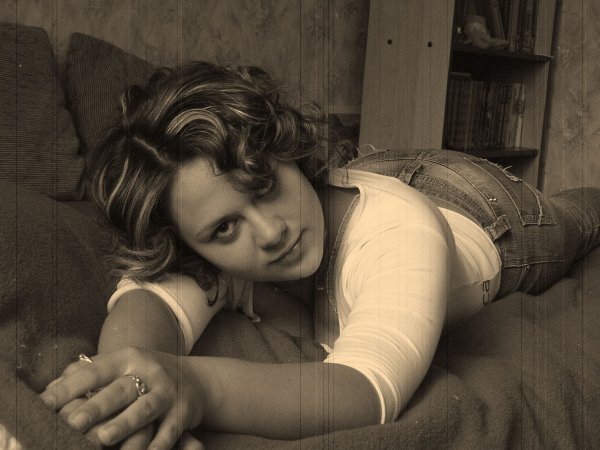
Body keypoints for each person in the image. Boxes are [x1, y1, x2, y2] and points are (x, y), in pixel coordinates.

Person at [40, 61, 600, 449]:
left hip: (485, 213)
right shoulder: (208, 235)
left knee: (582, 214)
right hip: (366, 176)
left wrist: (195, 386)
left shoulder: (399, 229)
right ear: (190, 243)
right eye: (225, 227)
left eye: (265, 185)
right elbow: (149, 304)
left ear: (286, 153)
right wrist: (127, 387)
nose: (271, 232)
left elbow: (367, 390)